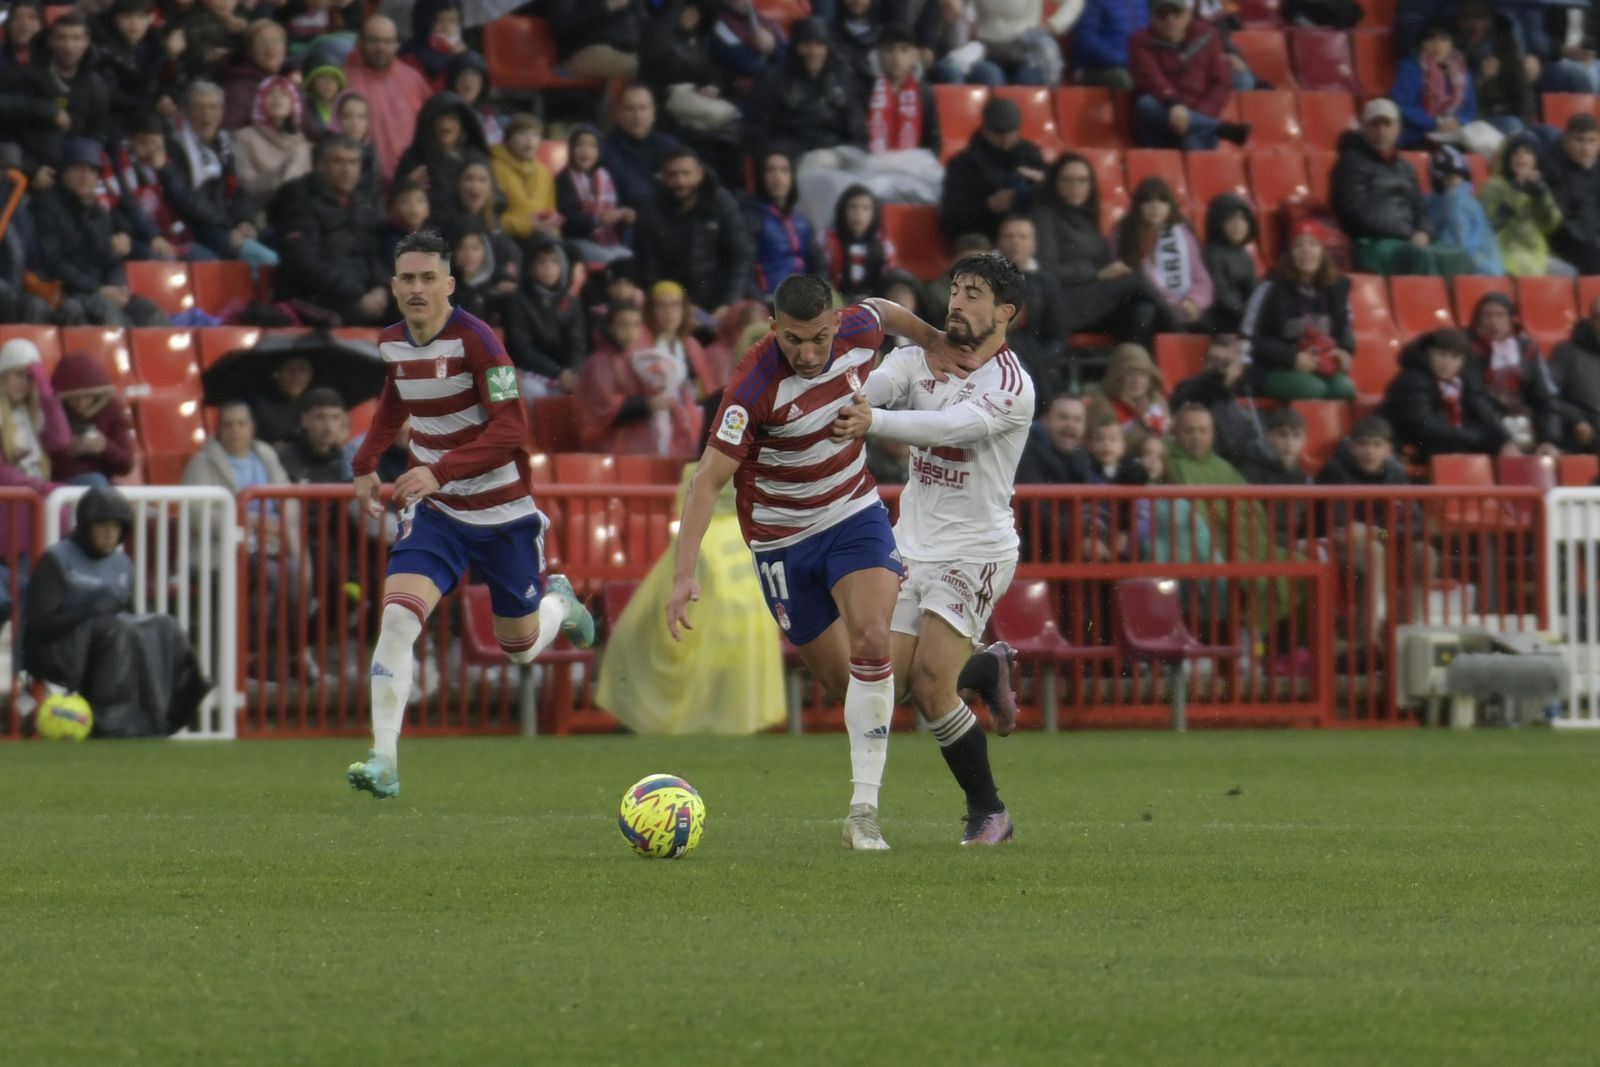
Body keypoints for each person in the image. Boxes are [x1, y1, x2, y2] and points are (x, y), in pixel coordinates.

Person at [665, 276, 1006, 850]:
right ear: (775, 329)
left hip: (853, 513)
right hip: (780, 540)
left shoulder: (856, 329)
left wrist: (931, 340)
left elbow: (883, 312)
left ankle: (863, 813)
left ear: (833, 323)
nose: (808, 352)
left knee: (873, 638)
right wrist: (682, 576)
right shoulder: (752, 385)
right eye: (794, 340)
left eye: (818, 338)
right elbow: (706, 482)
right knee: (843, 678)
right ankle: (972, 672)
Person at [345, 230, 596, 797]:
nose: (416, 288)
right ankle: (384, 759)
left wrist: (440, 468)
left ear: (449, 284)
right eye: (407, 278)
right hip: (438, 513)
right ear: (393, 285)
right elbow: (394, 399)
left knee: (523, 648)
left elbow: (512, 429)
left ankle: (562, 602)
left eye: (428, 278)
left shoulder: (480, 342)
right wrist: (366, 460)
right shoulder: (392, 344)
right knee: (398, 619)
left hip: (504, 512)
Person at [829, 250, 1033, 847]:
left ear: (1005, 313)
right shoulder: (916, 358)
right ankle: (988, 667)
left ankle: (989, 812)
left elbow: (952, 428)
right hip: (911, 544)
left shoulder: (1012, 386)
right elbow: (874, 387)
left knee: (935, 686)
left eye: (974, 294)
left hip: (977, 550)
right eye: (956, 290)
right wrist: (845, 396)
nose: (958, 303)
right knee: (881, 680)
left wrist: (874, 423)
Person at [22, 487, 209, 738]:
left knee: (164, 626)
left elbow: (127, 616)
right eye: (102, 525)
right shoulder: (57, 560)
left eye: (116, 526)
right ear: (86, 527)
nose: (110, 533)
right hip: (60, 650)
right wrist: (88, 611)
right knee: (117, 629)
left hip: (108, 646)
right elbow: (39, 626)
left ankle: (177, 707)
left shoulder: (123, 565)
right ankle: (112, 720)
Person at [29, 137, 169, 328]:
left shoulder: (101, 214)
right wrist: (98, 290)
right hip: (67, 293)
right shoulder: (46, 207)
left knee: (150, 312)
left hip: (102, 290)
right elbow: (53, 263)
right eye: (78, 168)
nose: (85, 176)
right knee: (109, 315)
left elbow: (112, 262)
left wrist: (118, 288)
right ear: (64, 171)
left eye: (91, 171)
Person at [1033, 153, 1170, 346]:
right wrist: (1097, 274)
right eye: (1068, 180)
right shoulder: (1044, 216)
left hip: (1094, 302)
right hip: (1065, 304)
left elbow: (1104, 265)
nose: (1076, 187)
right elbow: (1047, 270)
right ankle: (1182, 331)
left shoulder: (1088, 220)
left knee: (1143, 310)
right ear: (1055, 183)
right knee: (1137, 279)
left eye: (1082, 181)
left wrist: (1111, 272)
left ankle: (1132, 369)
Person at [1333, 97, 1477, 278]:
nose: (1381, 131)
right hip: (1373, 243)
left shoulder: (1405, 167)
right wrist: (1408, 234)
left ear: (1398, 128)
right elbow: (1353, 212)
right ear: (1364, 127)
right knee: (1418, 257)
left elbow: (1421, 210)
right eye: (1374, 124)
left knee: (1460, 257)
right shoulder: (1350, 163)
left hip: (1408, 240)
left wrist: (1424, 231)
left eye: (1387, 124)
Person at [272, 135, 390, 327]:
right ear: (320, 165)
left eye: (353, 163)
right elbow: (303, 264)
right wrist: (358, 294)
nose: (347, 170)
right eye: (338, 162)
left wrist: (381, 288)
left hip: (359, 293)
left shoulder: (363, 203)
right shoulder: (298, 199)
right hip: (310, 297)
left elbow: (374, 255)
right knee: (353, 317)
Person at [632, 148, 754, 324]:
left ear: (699, 174)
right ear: (663, 177)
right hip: (674, 307)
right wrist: (681, 306)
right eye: (673, 175)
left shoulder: (721, 202)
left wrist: (728, 303)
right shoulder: (649, 212)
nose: (680, 181)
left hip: (722, 299)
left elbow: (740, 257)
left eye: (686, 173)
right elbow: (649, 272)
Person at [1240, 218, 1356, 402]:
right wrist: (1291, 357)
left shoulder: (1337, 288)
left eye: (1313, 245)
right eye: (1299, 246)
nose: (1306, 251)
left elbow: (1345, 330)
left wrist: (1344, 351)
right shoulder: (1271, 287)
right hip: (1274, 368)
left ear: (1322, 252)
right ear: (1289, 253)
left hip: (1321, 365)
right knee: (1313, 389)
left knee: (1344, 388)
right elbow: (1249, 337)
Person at [575, 297, 702, 457]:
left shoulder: (644, 357)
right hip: (614, 443)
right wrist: (647, 404)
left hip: (645, 438)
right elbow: (602, 409)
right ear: (609, 328)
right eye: (623, 325)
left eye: (636, 325)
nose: (630, 332)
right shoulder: (600, 363)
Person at [1130, 0, 1249, 150]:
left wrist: (1196, 115)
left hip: (1198, 116)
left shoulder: (1209, 36)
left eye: (1176, 13)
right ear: (1152, 18)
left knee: (1192, 137)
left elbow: (1221, 83)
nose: (1170, 20)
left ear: (1188, 15)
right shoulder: (1140, 41)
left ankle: (1204, 125)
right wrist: (1174, 104)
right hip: (1159, 119)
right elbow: (1152, 78)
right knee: (1146, 104)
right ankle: (1219, 128)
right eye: (1162, 14)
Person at [1380, 327, 1512, 460]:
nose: (1447, 363)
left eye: (1454, 357)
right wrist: (1471, 436)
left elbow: (1483, 410)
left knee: (1503, 448)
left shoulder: (1464, 381)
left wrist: (1505, 439)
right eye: (1442, 355)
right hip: (1414, 443)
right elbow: (1423, 425)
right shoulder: (1413, 379)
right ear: (1428, 353)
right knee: (1455, 451)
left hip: (1453, 439)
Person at [1466, 292, 1562, 456]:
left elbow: (1544, 398)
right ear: (1478, 320)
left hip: (1525, 426)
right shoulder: (1468, 349)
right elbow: (1476, 400)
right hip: (1487, 432)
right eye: (1487, 316)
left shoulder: (1527, 349)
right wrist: (1503, 440)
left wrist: (1549, 439)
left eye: (1499, 315)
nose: (1493, 322)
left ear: (1510, 319)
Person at [939, 96, 1046, 241]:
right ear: (985, 129)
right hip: (986, 236)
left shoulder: (1031, 156)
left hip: (1030, 233)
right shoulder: (963, 165)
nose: (1005, 139)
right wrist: (988, 206)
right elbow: (951, 218)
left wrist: (1044, 181)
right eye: (999, 133)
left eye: (1010, 132)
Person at [1114, 176, 1212, 331]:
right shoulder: (1122, 234)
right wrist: (1169, 304)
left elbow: (1202, 280)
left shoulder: (1183, 234)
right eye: (1148, 201)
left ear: (1170, 205)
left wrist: (1192, 302)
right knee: (1146, 314)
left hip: (1181, 306)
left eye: (1162, 201)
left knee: (1204, 322)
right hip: (1142, 305)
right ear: (1138, 205)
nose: (1155, 207)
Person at [342, 15, 433, 182]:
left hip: (412, 183)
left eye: (388, 41)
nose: (381, 47)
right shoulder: (343, 78)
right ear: (360, 42)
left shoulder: (412, 77)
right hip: (363, 183)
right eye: (374, 41)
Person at [1392, 22, 1502, 157]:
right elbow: (1403, 106)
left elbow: (1470, 109)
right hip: (1419, 133)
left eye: (1443, 39)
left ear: (1451, 44)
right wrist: (1436, 123)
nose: (1437, 44)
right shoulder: (1410, 67)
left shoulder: (1460, 69)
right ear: (1422, 43)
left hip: (1455, 131)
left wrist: (1459, 121)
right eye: (1431, 39)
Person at [502, 238, 587, 398]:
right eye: (542, 262)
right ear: (531, 267)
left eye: (554, 262)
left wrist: (574, 371)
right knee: (538, 393)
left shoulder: (571, 302)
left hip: (565, 373)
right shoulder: (518, 301)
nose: (548, 268)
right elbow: (522, 350)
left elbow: (578, 344)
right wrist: (559, 373)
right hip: (527, 371)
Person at [1479, 132, 1571, 278]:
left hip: (1536, 253)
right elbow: (1491, 226)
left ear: (1536, 160)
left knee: (1569, 273)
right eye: (1516, 153)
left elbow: (1551, 224)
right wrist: (1517, 190)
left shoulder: (1538, 186)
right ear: (1508, 159)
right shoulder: (1492, 186)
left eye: (1527, 153)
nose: (1521, 157)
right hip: (1504, 252)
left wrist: (1541, 195)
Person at [1169, 334, 1270, 467]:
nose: (1218, 368)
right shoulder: (1191, 387)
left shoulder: (1247, 391)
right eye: (1213, 360)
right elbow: (1195, 390)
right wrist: (1219, 379)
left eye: (1224, 363)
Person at [995, 212, 1069, 384]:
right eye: (1009, 236)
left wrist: (1038, 362)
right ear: (999, 244)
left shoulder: (1047, 283)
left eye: (1023, 237)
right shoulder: (985, 279)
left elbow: (1057, 338)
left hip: (1035, 359)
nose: (1016, 242)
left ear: (1034, 245)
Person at [395, 91, 490, 220]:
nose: (445, 125)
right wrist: (407, 185)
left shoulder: (475, 158)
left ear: (462, 124)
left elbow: (497, 199)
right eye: (440, 119)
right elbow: (394, 202)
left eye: (452, 119)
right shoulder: (415, 157)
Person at [49, 352, 138, 486]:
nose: (81, 403)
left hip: (103, 483)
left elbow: (125, 465)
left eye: (87, 396)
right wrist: (68, 452)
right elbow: (44, 462)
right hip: (64, 484)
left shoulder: (113, 408)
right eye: (74, 398)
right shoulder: (54, 411)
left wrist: (105, 447)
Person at [744, 150, 821, 298]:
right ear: (761, 176)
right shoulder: (751, 217)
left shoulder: (802, 221)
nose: (778, 177)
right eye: (770, 171)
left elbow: (818, 262)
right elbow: (745, 269)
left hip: (805, 300)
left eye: (784, 170)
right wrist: (762, 301)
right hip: (770, 301)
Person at [233, 76, 313, 213]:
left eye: (283, 94)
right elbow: (247, 187)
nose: (277, 99)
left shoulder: (302, 145)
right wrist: (281, 171)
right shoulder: (245, 137)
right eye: (270, 93)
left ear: (293, 102)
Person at [557, 124, 634, 266]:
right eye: (580, 145)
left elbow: (614, 211)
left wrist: (624, 216)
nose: (586, 151)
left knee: (628, 257)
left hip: (605, 240)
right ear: (571, 149)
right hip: (575, 239)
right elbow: (566, 216)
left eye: (593, 146)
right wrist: (596, 220)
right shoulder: (564, 178)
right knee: (608, 258)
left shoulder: (604, 177)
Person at [0, 338, 70, 494]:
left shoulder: (32, 413)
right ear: (3, 376)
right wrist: (41, 488)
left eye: (30, 378)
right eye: (18, 374)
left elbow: (61, 441)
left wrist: (46, 393)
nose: (24, 383)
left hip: (33, 491)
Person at [1423, 143, 1503, 276]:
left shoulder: (1468, 205)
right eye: (1448, 177)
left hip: (1479, 272)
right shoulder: (1432, 203)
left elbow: (1466, 246)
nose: (1454, 182)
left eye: (1457, 176)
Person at [600, 84, 682, 212]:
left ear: (653, 113)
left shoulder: (669, 144)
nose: (637, 116)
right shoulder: (606, 149)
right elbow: (635, 192)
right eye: (629, 109)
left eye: (643, 108)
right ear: (618, 114)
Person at [824, 185, 899, 302]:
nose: (858, 213)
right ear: (842, 211)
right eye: (853, 207)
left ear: (875, 214)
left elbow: (891, 278)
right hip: (836, 302)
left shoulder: (884, 246)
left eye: (866, 208)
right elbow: (822, 277)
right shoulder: (828, 242)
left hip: (876, 302)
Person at [491, 113, 557, 244]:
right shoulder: (493, 167)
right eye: (522, 134)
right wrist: (528, 226)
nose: (529, 140)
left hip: (542, 236)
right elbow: (491, 217)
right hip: (507, 237)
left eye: (535, 135)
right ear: (508, 140)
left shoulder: (544, 172)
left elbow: (551, 210)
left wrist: (554, 227)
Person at [1548, 113, 1600, 275]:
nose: (1585, 148)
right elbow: (1561, 219)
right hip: (1567, 241)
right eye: (1579, 140)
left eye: (1591, 141)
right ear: (1566, 140)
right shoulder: (1552, 168)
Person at [1089, 342, 1168, 445]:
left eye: (1143, 374)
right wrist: (1134, 411)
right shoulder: (1102, 405)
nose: (1137, 380)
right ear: (1117, 376)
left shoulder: (1157, 400)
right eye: (1131, 373)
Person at [1202, 193, 1258, 337]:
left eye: (1243, 219)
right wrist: (1248, 316)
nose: (1238, 224)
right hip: (1218, 319)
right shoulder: (1211, 253)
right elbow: (1220, 294)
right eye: (1231, 218)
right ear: (1218, 221)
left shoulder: (1244, 255)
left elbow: (1253, 290)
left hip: (1241, 316)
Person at [1549, 296, 1600, 452]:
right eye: (1599, 317)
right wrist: (1577, 419)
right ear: (1590, 319)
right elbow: (1547, 396)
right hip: (1585, 436)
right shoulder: (1567, 352)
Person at [1072, 0, 1150, 90]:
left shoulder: (1142, 2)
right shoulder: (1095, 2)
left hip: (1135, 64)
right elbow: (1086, 38)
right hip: (1097, 68)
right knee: (1123, 79)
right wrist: (1121, 59)